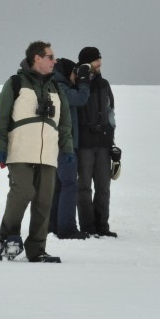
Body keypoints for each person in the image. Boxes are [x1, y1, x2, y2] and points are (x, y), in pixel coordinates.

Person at [0, 41, 75, 263]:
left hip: (48, 153)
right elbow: (0, 117)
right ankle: (8, 239)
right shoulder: (16, 83)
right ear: (37, 58)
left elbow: (65, 122)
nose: (54, 61)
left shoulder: (56, 88)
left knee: (44, 200)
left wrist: (66, 147)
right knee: (22, 193)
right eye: (50, 57)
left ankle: (37, 249)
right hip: (20, 151)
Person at [75, 46, 118, 237]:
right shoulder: (76, 83)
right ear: (86, 63)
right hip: (84, 144)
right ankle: (88, 227)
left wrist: (112, 139)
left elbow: (110, 111)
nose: (99, 63)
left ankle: (102, 226)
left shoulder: (104, 84)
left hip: (103, 143)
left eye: (99, 59)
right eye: (95, 60)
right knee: (83, 187)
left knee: (103, 187)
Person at [50, 58, 91, 239]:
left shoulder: (56, 85)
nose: (75, 76)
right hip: (64, 145)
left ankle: (54, 227)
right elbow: (81, 99)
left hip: (57, 144)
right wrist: (84, 81)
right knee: (69, 184)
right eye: (74, 73)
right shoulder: (61, 87)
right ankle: (66, 229)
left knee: (59, 186)